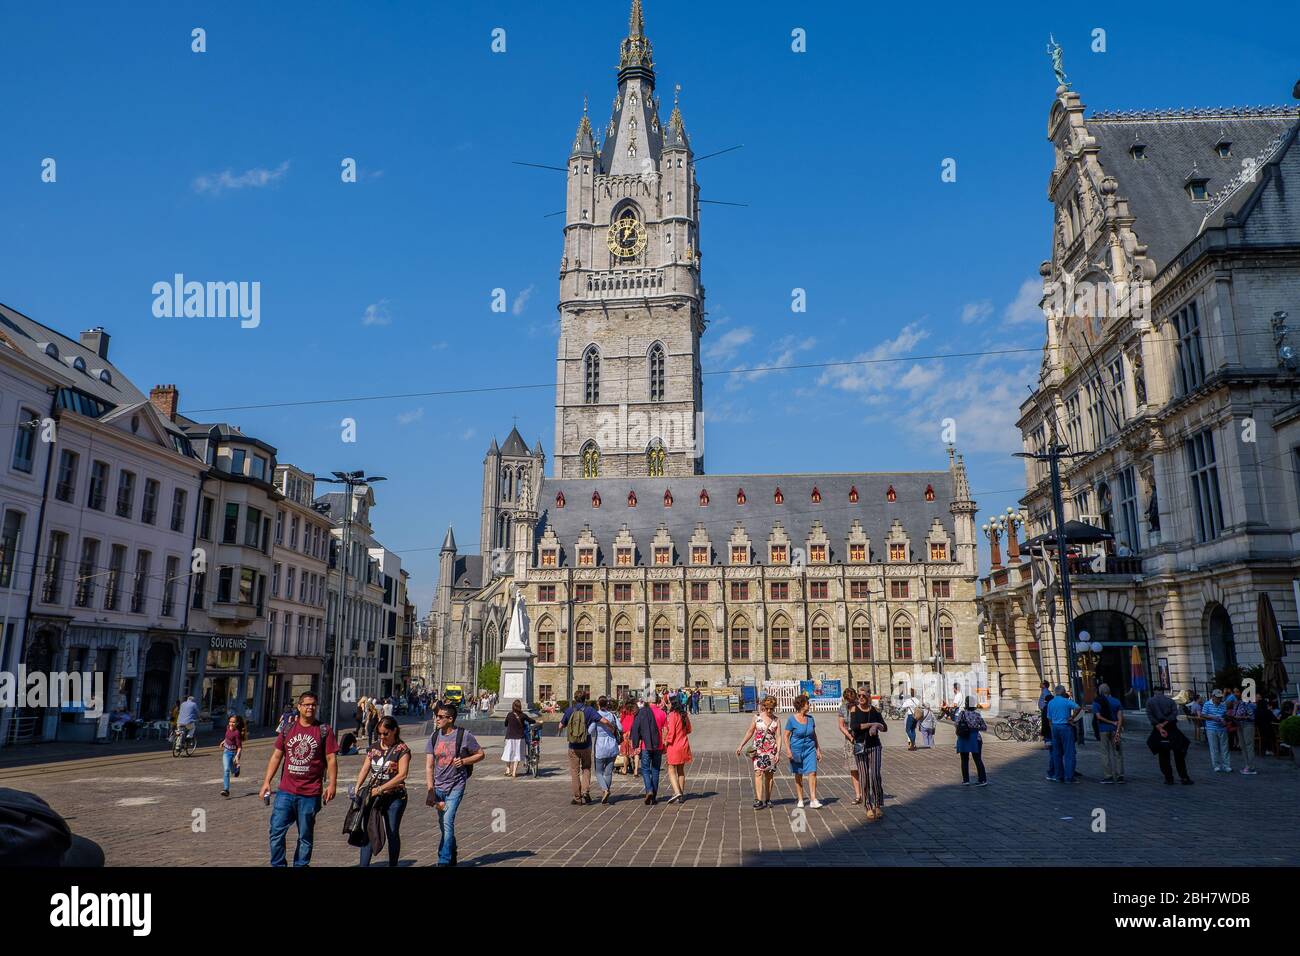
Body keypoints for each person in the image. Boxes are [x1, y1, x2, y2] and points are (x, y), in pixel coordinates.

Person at [259, 691, 338, 867]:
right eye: (307, 704)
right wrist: (266, 782)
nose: (310, 708)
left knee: (305, 836)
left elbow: (331, 759)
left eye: (313, 705)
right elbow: (276, 756)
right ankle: (278, 864)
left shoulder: (324, 730)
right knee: (276, 831)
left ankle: (301, 865)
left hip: (310, 793)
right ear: (299, 707)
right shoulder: (288, 729)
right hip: (285, 791)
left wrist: (332, 784)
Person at [426, 703, 484, 866]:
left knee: (447, 821)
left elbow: (480, 754)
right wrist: (430, 789)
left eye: (440, 717)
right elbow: (429, 766)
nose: (437, 719)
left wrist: (464, 760)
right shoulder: (434, 737)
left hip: (456, 786)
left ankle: (443, 860)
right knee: (443, 825)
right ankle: (452, 850)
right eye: (436, 716)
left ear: (450, 719)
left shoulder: (464, 735)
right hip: (439, 787)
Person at [354, 716, 411, 867]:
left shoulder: (402, 749)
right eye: (379, 733)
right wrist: (357, 786)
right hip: (374, 797)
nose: (382, 737)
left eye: (386, 733)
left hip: (395, 797)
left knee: (392, 832)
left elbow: (402, 775)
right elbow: (366, 768)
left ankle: (393, 864)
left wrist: (380, 789)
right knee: (369, 830)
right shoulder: (374, 748)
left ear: (394, 731)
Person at [559, 691, 618, 805]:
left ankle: (577, 797)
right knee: (586, 769)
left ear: (575, 699)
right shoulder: (590, 710)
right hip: (586, 745)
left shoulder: (570, 710)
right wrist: (612, 727)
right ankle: (585, 792)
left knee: (574, 771)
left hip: (573, 746)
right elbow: (604, 721)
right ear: (585, 699)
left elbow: (560, 725)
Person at [736, 695, 782, 809]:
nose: (769, 711)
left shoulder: (776, 720)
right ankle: (759, 799)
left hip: (771, 750)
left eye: (772, 709)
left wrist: (778, 752)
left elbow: (779, 736)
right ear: (764, 707)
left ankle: (768, 799)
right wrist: (741, 745)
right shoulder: (756, 717)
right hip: (759, 749)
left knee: (769, 775)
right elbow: (750, 732)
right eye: (767, 708)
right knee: (758, 772)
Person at [850, 690, 887, 819]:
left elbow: (885, 727)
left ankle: (877, 804)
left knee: (875, 775)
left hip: (875, 746)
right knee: (864, 777)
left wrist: (877, 725)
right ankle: (868, 806)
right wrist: (871, 724)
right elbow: (854, 727)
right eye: (859, 696)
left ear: (869, 697)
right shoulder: (854, 710)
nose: (861, 698)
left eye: (863, 696)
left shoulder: (875, 711)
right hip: (860, 746)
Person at [1145, 688, 1193, 784]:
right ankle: (1184, 777)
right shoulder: (1170, 701)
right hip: (1172, 728)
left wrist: (1159, 726)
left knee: (1163, 755)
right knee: (1179, 753)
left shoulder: (1150, 701)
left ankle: (1168, 778)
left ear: (1154, 692)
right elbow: (1174, 714)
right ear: (1163, 692)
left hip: (1158, 729)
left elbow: (1150, 716)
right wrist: (1165, 723)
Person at [784, 694, 823, 808]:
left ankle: (813, 799)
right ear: (801, 705)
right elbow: (786, 735)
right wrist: (788, 750)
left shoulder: (811, 719)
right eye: (807, 703)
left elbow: (814, 735)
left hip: (810, 749)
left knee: (812, 772)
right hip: (796, 749)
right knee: (798, 774)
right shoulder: (791, 719)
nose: (809, 705)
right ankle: (800, 799)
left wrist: (818, 749)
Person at [630, 692, 668, 804]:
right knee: (655, 770)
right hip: (658, 745)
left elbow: (636, 728)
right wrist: (664, 743)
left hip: (646, 745)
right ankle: (654, 796)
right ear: (657, 700)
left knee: (646, 769)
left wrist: (635, 745)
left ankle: (649, 790)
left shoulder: (643, 712)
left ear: (648, 701)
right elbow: (665, 730)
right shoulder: (662, 713)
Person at [1044, 684, 1081, 782]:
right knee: (1069, 753)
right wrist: (1072, 717)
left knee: (1057, 753)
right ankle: (1069, 777)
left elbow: (1049, 719)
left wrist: (1052, 729)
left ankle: (1058, 776)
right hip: (1065, 726)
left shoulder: (1051, 703)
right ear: (1064, 692)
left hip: (1055, 727)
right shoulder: (1066, 701)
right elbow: (1078, 707)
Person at [589, 696, 622, 803]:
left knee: (598, 772)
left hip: (601, 745)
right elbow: (621, 728)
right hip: (612, 744)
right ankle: (606, 792)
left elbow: (590, 730)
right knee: (608, 772)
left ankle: (605, 789)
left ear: (598, 704)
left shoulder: (597, 716)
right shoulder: (612, 715)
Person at [662, 696, 693, 804]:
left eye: (668, 703)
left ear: (673, 704)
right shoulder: (684, 715)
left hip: (674, 746)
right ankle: (681, 793)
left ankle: (676, 792)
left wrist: (666, 742)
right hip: (684, 744)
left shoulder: (672, 715)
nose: (667, 705)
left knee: (671, 769)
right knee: (681, 770)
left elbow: (671, 732)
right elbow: (689, 729)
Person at [1092, 682, 1125, 783]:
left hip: (1103, 729)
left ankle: (1108, 776)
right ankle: (1120, 775)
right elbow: (1120, 718)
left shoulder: (1097, 702)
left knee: (1105, 753)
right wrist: (1118, 729)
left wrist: (1110, 722)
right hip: (1115, 730)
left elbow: (1098, 717)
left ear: (1100, 691)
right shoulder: (1116, 701)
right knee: (1118, 752)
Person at [954, 695, 987, 786]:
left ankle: (966, 780)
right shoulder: (977, 715)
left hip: (964, 737)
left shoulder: (962, 714)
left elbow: (956, 724)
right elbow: (984, 727)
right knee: (978, 759)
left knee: (964, 759)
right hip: (975, 738)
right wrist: (975, 727)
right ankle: (982, 780)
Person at [837, 688, 862, 804]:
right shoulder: (842, 708)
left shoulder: (860, 706)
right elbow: (841, 725)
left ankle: (866, 793)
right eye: (848, 701)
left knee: (863, 767)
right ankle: (858, 795)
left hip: (862, 739)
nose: (850, 703)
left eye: (852, 701)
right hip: (849, 740)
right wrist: (849, 736)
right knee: (853, 769)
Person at [502, 700, 536, 778]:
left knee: (508, 753)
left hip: (510, 737)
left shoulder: (509, 715)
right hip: (520, 738)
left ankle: (508, 769)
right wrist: (537, 721)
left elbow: (505, 724)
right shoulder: (523, 715)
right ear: (520, 706)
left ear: (512, 706)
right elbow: (531, 720)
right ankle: (514, 772)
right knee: (517, 755)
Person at [1201, 689, 1231, 772]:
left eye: (1220, 697)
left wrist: (1225, 720)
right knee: (1214, 748)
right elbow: (1202, 715)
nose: (1219, 699)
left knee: (1225, 748)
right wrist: (1212, 717)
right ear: (1213, 697)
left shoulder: (1223, 705)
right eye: (1218, 697)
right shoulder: (1207, 704)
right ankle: (1216, 765)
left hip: (1222, 728)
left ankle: (1226, 765)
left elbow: (1225, 715)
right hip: (1211, 729)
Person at [219, 714, 244, 797]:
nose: (231, 724)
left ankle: (236, 770)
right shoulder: (227, 728)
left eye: (233, 722)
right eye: (230, 722)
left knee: (232, 770)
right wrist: (223, 741)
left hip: (233, 754)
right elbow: (227, 737)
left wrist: (237, 756)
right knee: (226, 770)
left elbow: (240, 747)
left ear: (237, 723)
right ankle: (226, 789)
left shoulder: (237, 733)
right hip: (226, 752)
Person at [1232, 695, 1257, 774]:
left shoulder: (1248, 704)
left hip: (1247, 725)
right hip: (1239, 725)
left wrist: (1241, 717)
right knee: (1242, 746)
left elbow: (1252, 716)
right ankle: (1247, 765)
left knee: (1248, 745)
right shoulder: (1237, 704)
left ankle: (1251, 767)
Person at [618, 698, 638, 776]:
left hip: (625, 730)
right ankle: (636, 770)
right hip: (633, 729)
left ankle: (625, 769)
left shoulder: (624, 709)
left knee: (626, 751)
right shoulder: (635, 709)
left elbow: (622, 719)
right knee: (635, 750)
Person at [1037, 680, 1053, 749]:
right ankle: (1047, 742)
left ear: (1044, 685)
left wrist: (1044, 708)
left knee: (1046, 726)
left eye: (1041, 683)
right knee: (1046, 726)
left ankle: (1048, 743)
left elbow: (1048, 700)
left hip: (1045, 711)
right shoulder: (1044, 690)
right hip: (1044, 710)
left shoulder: (1045, 691)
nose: (1040, 684)